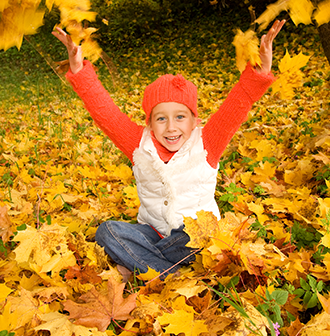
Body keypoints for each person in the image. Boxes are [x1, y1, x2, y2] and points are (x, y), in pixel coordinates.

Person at [52, 20, 285, 277]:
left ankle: (140, 265)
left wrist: (259, 72)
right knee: (107, 232)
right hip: (152, 232)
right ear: (149, 123)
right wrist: (79, 69)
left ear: (195, 121)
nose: (171, 127)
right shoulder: (138, 143)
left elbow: (237, 105)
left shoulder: (208, 143)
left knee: (196, 238)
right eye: (161, 118)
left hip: (193, 237)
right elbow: (103, 110)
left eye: (180, 117)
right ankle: (167, 272)